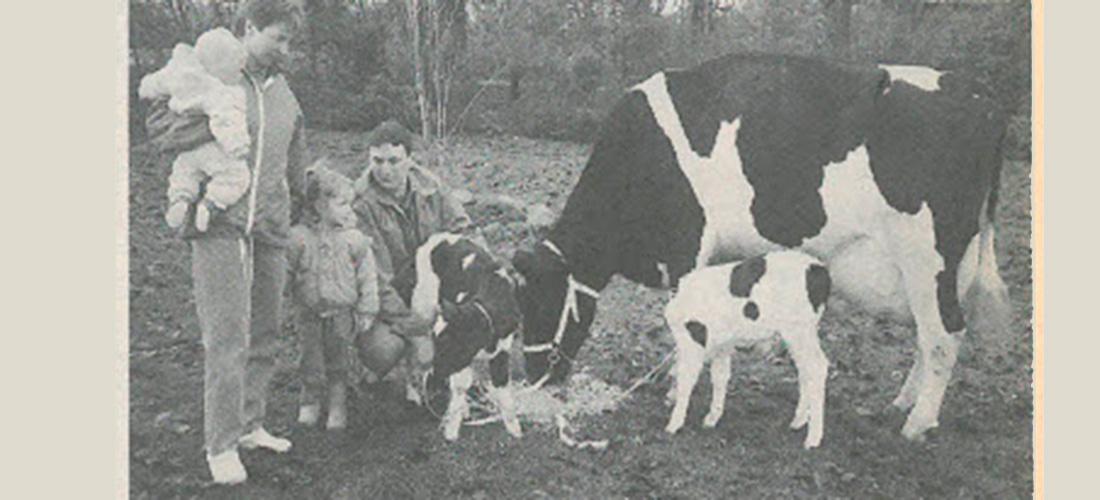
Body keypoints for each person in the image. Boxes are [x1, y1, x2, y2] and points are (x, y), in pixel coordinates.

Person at [144, 0, 305, 485]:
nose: (286, 49)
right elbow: (159, 127)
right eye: (278, 38)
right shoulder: (212, 77)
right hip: (220, 224)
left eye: (291, 41)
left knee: (266, 332)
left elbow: (295, 160)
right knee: (228, 337)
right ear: (249, 27)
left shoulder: (286, 96)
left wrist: (296, 205)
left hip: (270, 228)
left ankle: (250, 424)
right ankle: (221, 444)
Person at [351, 120, 475, 403]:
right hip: (387, 299)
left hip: (434, 289)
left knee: (468, 327)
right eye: (377, 161)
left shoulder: (432, 187)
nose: (385, 170)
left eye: (394, 161)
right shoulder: (360, 204)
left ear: (410, 159)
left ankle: (439, 376)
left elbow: (462, 232)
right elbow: (376, 279)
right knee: (383, 349)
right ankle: (377, 374)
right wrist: (417, 331)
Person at [287, 165, 379, 431]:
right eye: (342, 204)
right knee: (310, 359)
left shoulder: (354, 240)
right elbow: (285, 272)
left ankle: (338, 405)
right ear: (319, 205)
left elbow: (367, 276)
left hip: (342, 313)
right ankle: (310, 401)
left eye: (350, 204)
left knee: (339, 360)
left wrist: (368, 309)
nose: (349, 210)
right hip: (308, 314)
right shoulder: (298, 238)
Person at [139, 27, 252, 234]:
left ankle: (179, 200)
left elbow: (155, 83)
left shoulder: (179, 73)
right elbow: (225, 119)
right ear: (219, 68)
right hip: (213, 149)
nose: (239, 74)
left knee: (183, 174)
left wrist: (145, 88)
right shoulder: (221, 91)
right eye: (236, 69)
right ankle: (211, 204)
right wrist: (237, 145)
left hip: (186, 150)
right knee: (237, 177)